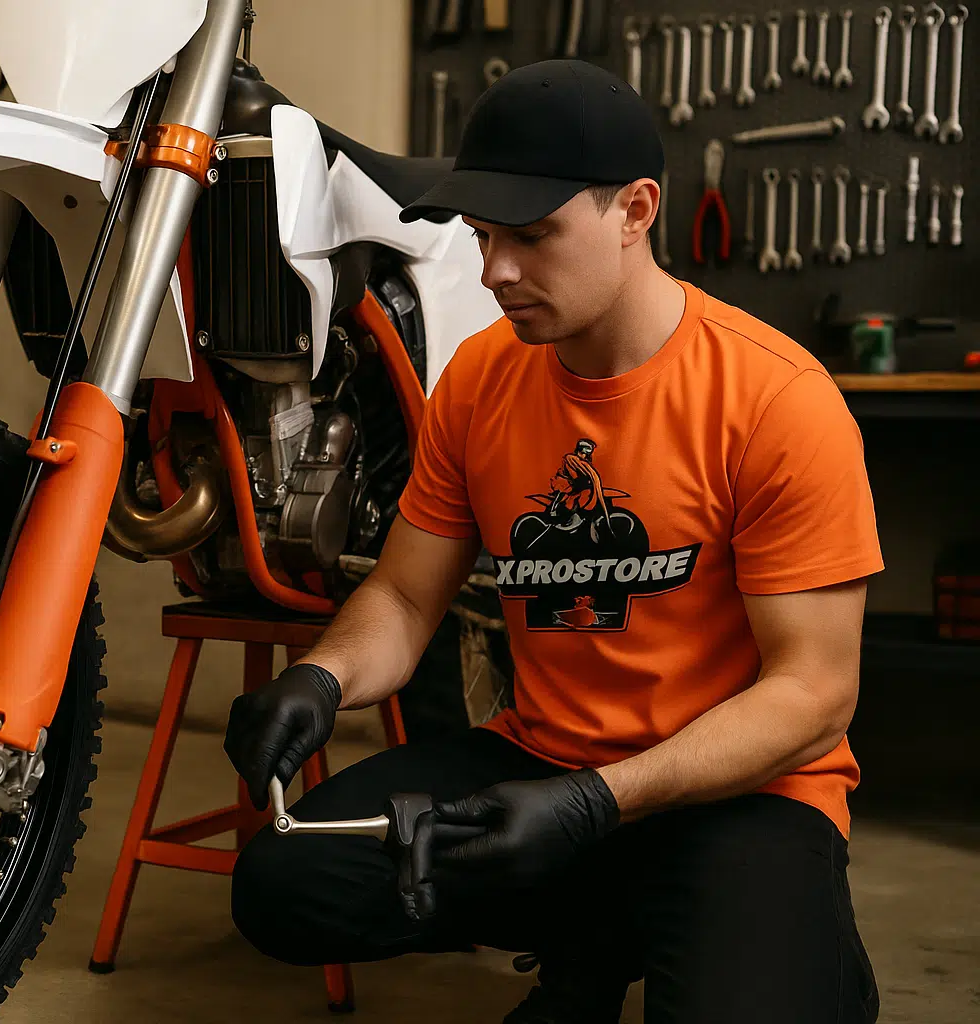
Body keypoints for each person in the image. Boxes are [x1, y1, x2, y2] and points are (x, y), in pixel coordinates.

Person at [224, 59, 882, 1024]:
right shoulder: (483, 381)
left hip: (738, 793)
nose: (494, 272)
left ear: (636, 210)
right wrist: (320, 680)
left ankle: (780, 943)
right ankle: (602, 924)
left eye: (532, 237)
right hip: (547, 766)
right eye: (485, 237)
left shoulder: (776, 401)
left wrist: (598, 804)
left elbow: (814, 695)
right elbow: (407, 600)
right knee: (284, 884)